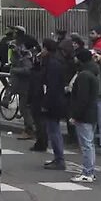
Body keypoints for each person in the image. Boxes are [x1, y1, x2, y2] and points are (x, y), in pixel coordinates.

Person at [68, 49, 101, 182]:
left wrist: (75, 115)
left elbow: (82, 98)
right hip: (92, 112)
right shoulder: (93, 72)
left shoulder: (83, 75)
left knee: (86, 145)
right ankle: (90, 171)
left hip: (84, 115)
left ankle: (87, 172)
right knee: (90, 144)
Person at [41, 39, 69, 170]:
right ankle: (58, 158)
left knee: (54, 131)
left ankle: (59, 159)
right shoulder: (55, 61)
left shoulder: (53, 64)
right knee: (54, 130)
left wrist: (46, 103)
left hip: (54, 102)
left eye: (43, 48)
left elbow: (52, 86)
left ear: (47, 49)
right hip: (57, 100)